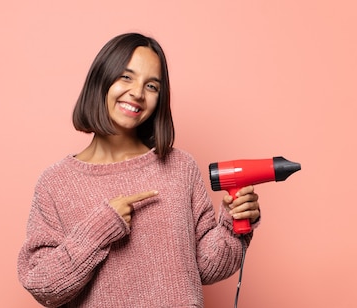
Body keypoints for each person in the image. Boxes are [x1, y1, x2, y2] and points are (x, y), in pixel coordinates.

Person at [17, 33, 261, 307]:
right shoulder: (56, 183)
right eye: (126, 77)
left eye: (152, 86)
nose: (137, 93)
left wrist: (233, 222)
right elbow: (44, 286)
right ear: (101, 79)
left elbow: (206, 267)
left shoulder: (180, 168)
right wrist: (101, 228)